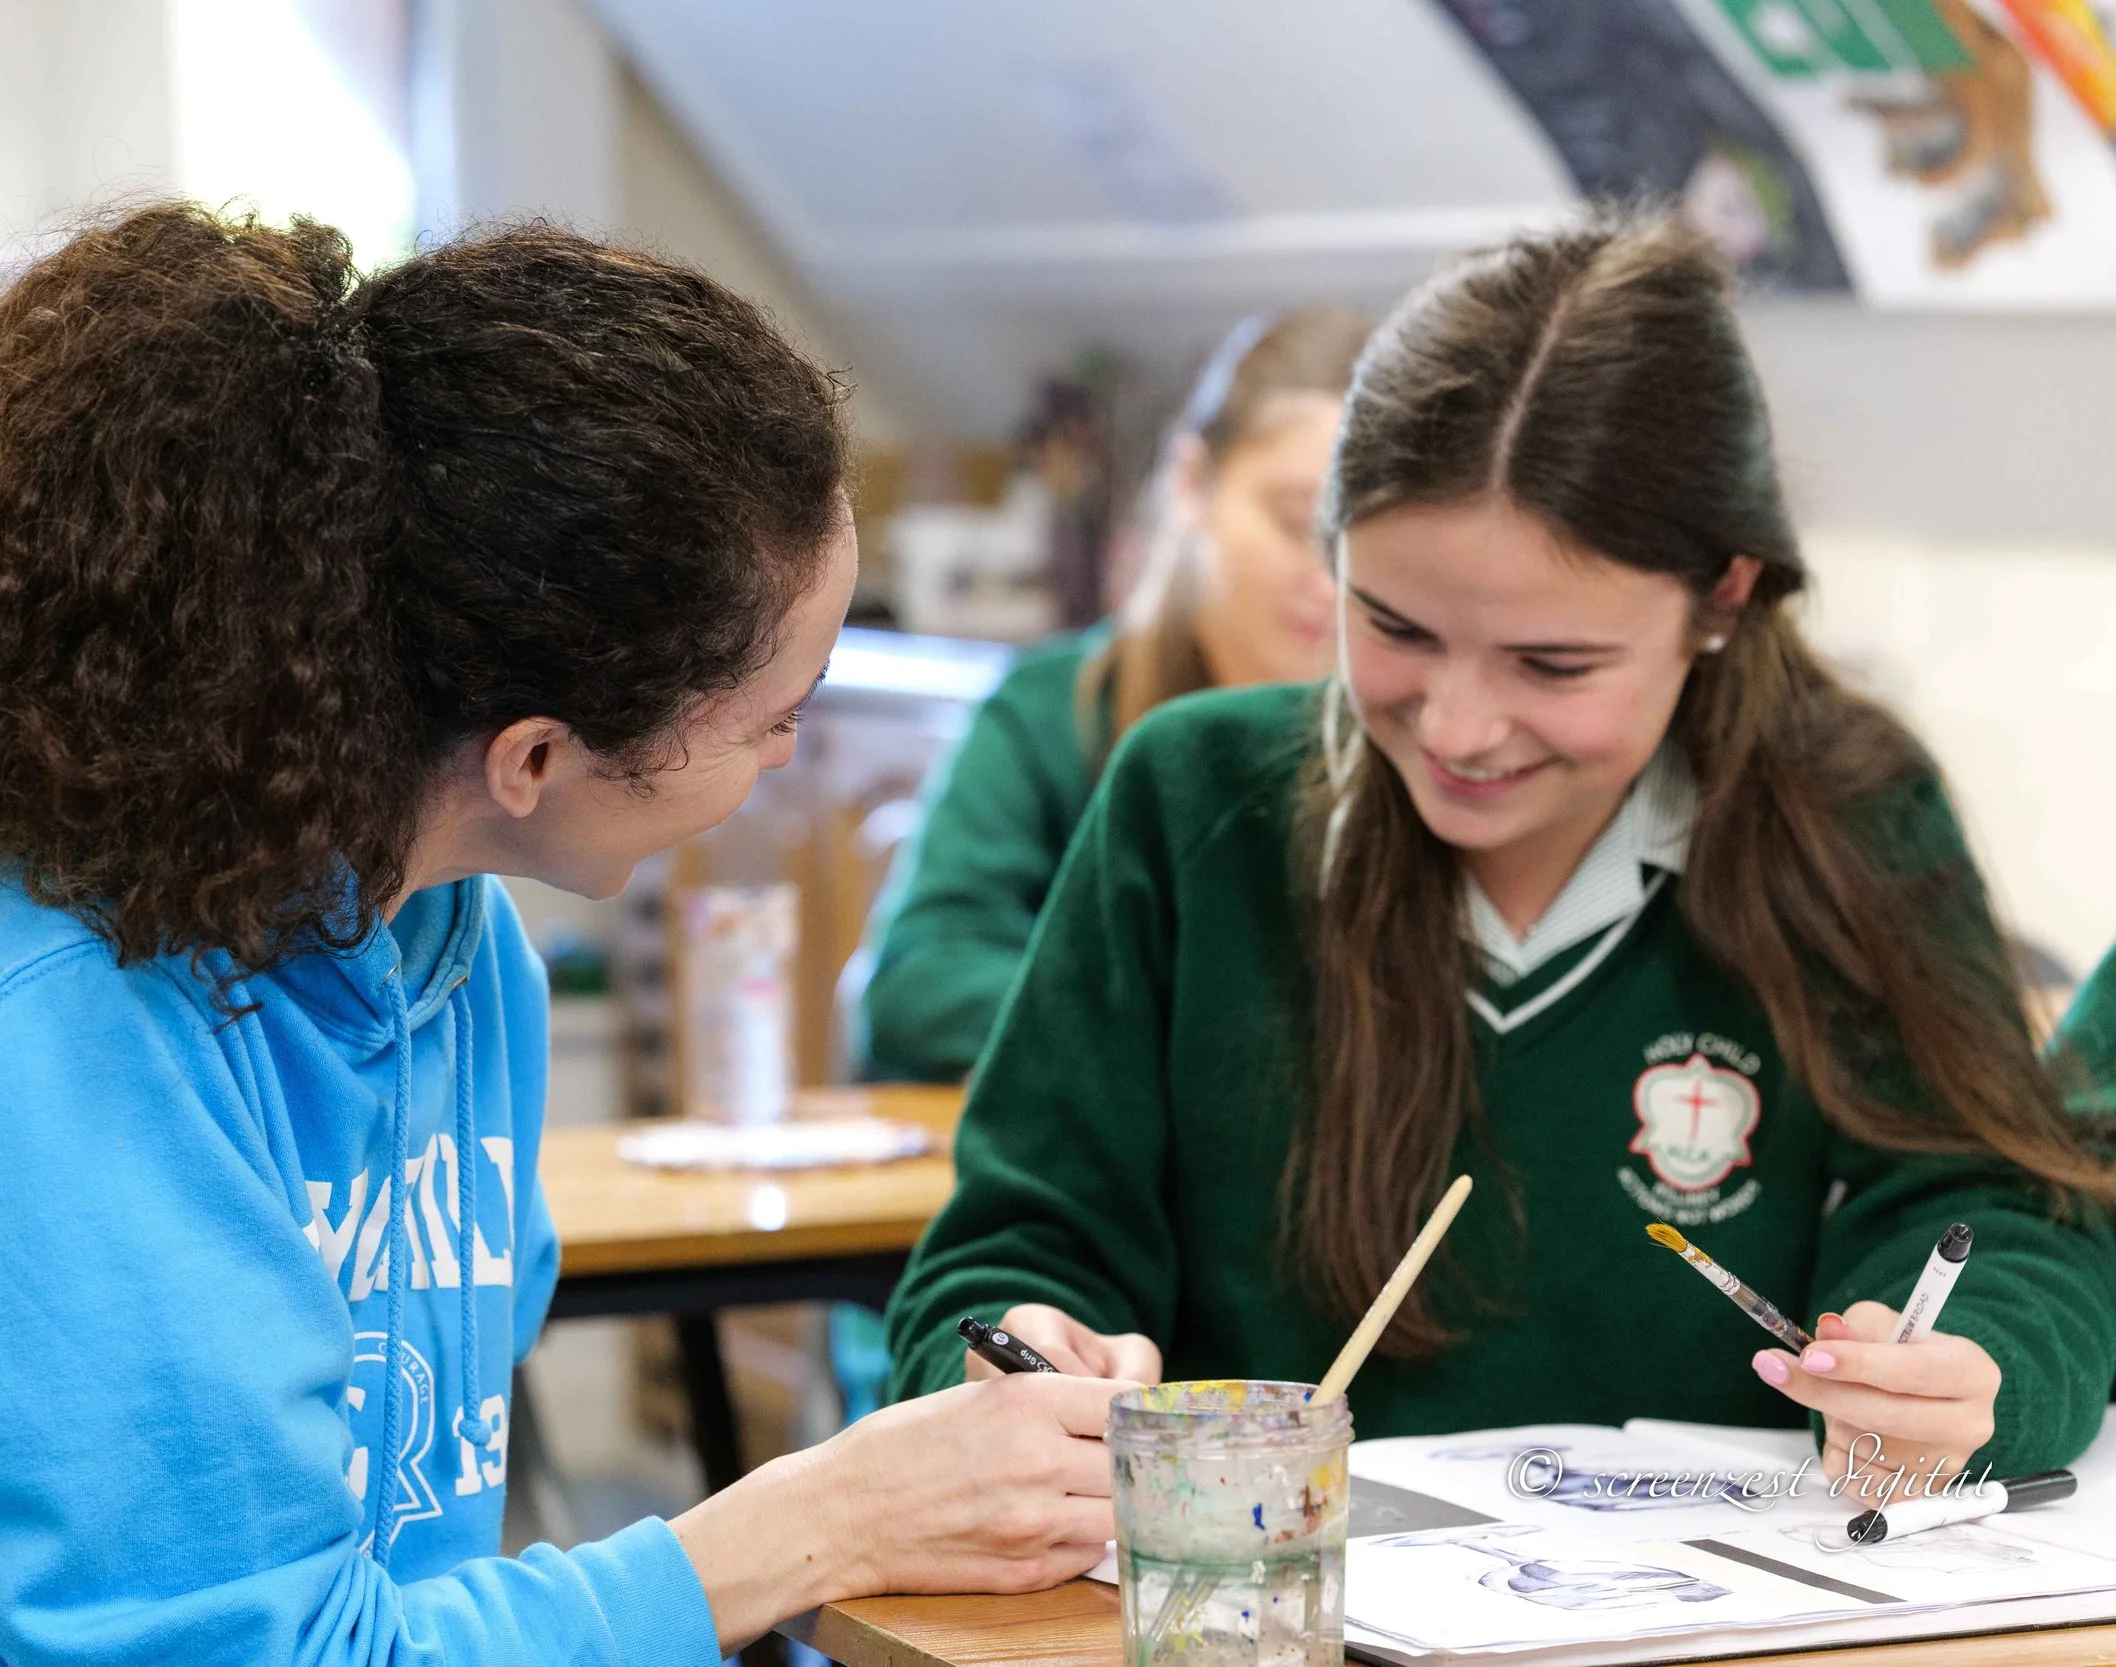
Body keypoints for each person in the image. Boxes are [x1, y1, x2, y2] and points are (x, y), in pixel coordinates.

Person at [0, 206, 1128, 1667]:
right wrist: (812, 1523)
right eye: (773, 721)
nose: (791, 761)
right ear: (533, 758)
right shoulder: (52, 1026)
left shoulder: (456, 939)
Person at [881, 211, 2116, 1500]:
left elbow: (1998, 1212)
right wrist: (1023, 1349)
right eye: (1393, 626)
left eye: (1553, 663)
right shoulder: (1190, 801)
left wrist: (1967, 1373)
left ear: (1724, 597)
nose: (1461, 727)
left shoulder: (1846, 813)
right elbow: (1015, 1243)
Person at [858, 307, 1370, 1082]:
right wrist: (1193, 1033)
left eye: (1358, 538)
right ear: (1192, 481)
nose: (1327, 578)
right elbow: (919, 986)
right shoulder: (1048, 715)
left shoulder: (1404, 741)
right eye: (1296, 523)